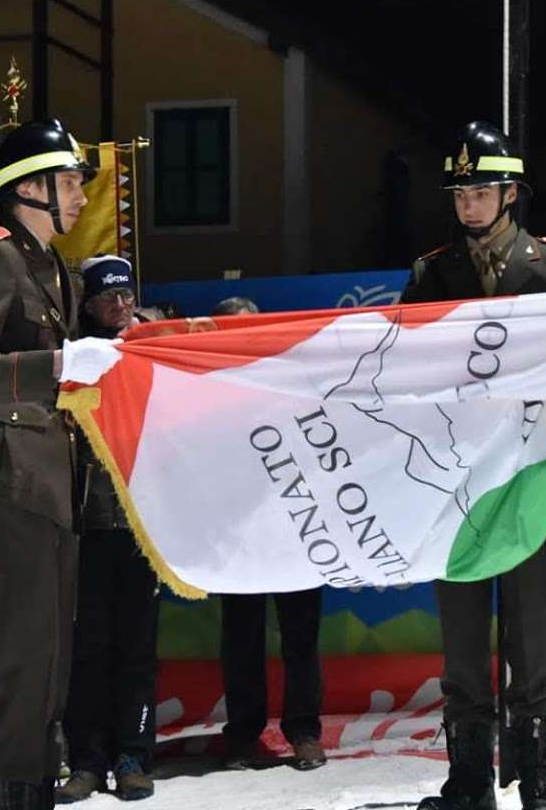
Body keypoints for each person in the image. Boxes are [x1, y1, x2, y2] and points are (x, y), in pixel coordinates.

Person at [400, 121, 546, 810]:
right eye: (459, 194)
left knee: (533, 637)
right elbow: (402, 371)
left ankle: (538, 781)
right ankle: (468, 781)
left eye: (480, 192)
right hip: (455, 487)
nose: (468, 205)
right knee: (461, 641)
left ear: (511, 193)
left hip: (529, 481)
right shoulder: (429, 274)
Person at [0, 118, 117, 810]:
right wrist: (59, 363)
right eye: (68, 182)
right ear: (28, 188)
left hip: (46, 479)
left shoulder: (50, 267)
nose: (80, 196)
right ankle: (4, 788)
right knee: (22, 650)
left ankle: (28, 781)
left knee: (47, 650)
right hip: (6, 474)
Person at [56, 256, 160, 804]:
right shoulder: (74, 355)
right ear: (89, 305)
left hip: (143, 527)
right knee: (89, 647)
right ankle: (87, 760)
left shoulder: (155, 347)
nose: (119, 306)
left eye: (126, 295)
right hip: (88, 525)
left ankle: (133, 756)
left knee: (137, 646)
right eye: (107, 298)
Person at [209, 295, 327, 773]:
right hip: (239, 528)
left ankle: (304, 732)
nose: (243, 337)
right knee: (241, 635)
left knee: (301, 634)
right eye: (232, 330)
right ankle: (243, 732)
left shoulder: (290, 379)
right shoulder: (206, 386)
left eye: (250, 328)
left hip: (296, 523)